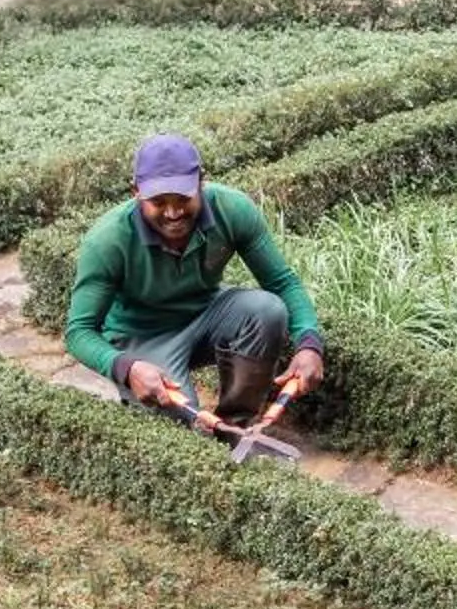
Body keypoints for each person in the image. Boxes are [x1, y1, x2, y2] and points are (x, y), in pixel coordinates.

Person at [62, 133, 324, 438]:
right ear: (136, 192)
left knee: (267, 310)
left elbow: (282, 282)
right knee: (182, 432)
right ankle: (189, 431)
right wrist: (127, 368)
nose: (173, 213)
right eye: (158, 202)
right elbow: (79, 331)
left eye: (183, 199)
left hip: (206, 314)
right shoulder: (107, 241)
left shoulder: (232, 209)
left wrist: (310, 344)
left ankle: (235, 428)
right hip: (141, 337)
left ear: (201, 182)